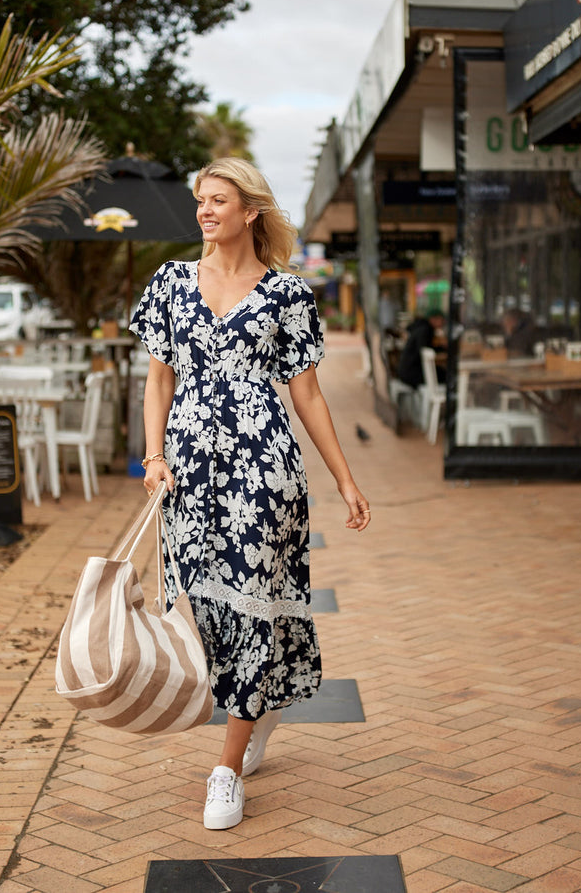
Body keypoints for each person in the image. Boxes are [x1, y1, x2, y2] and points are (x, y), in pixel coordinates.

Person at [129, 157, 371, 832]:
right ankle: (260, 707)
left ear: (249, 211)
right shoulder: (172, 284)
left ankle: (226, 768)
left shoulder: (287, 295)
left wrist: (346, 480)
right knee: (198, 612)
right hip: (187, 477)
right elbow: (157, 382)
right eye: (200, 200)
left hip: (263, 474)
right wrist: (153, 456)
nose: (205, 211)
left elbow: (308, 394)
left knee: (254, 609)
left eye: (218, 200)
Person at [397, 309, 444, 388]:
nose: (443, 323)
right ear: (433, 319)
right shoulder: (425, 330)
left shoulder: (421, 328)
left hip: (406, 370)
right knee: (445, 375)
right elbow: (424, 350)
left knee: (441, 372)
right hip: (411, 372)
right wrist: (443, 349)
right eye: (441, 320)